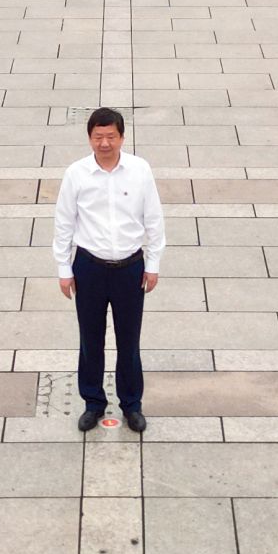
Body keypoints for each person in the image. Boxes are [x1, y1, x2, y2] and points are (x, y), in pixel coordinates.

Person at [54, 106, 164, 434]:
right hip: (89, 266)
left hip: (130, 267)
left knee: (129, 340)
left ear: (122, 137)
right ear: (89, 138)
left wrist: (153, 263)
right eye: (98, 137)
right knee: (91, 339)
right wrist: (63, 267)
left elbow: (154, 219)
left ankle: (132, 404)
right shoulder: (76, 174)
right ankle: (93, 402)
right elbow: (64, 221)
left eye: (111, 136)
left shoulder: (139, 170)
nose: (104, 143)